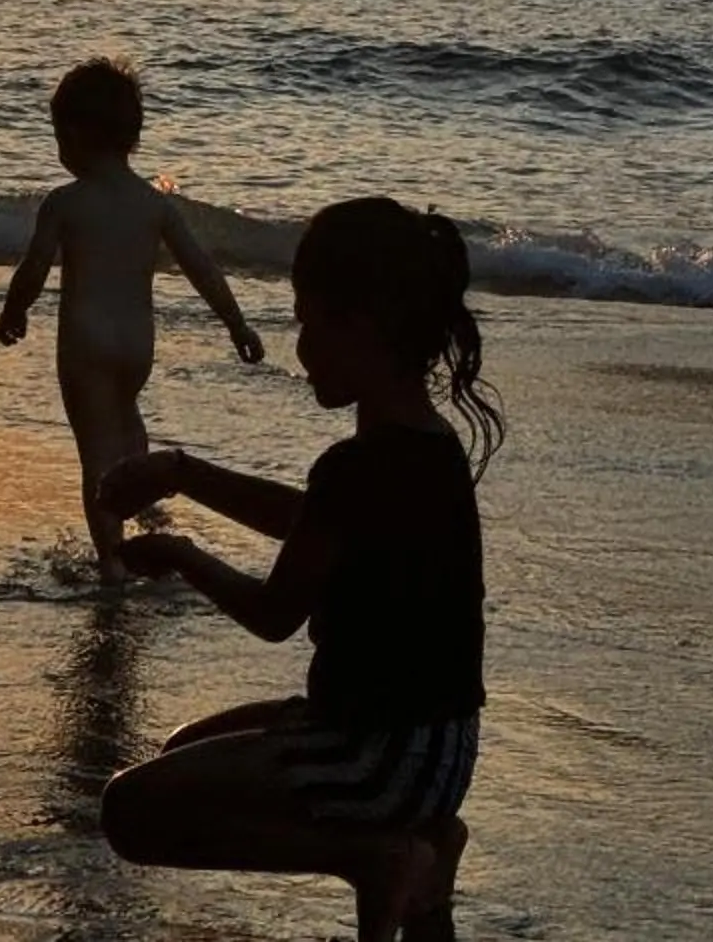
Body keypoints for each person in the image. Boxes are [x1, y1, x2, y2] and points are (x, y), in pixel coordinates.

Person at [94, 196, 502, 942]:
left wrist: (182, 555)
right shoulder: (431, 446)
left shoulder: (357, 465)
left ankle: (370, 856)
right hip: (441, 753)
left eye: (310, 324)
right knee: (184, 751)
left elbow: (275, 614)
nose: (302, 348)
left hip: (375, 755)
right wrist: (181, 475)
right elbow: (318, 524)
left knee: (131, 810)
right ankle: (426, 857)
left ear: (367, 325)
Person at [0, 57, 264, 579]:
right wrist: (237, 324)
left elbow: (34, 268)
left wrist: (15, 310)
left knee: (96, 450)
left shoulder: (65, 203)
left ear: (74, 135)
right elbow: (201, 268)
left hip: (87, 345)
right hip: (137, 345)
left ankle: (112, 561)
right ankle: (143, 499)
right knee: (125, 417)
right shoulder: (154, 205)